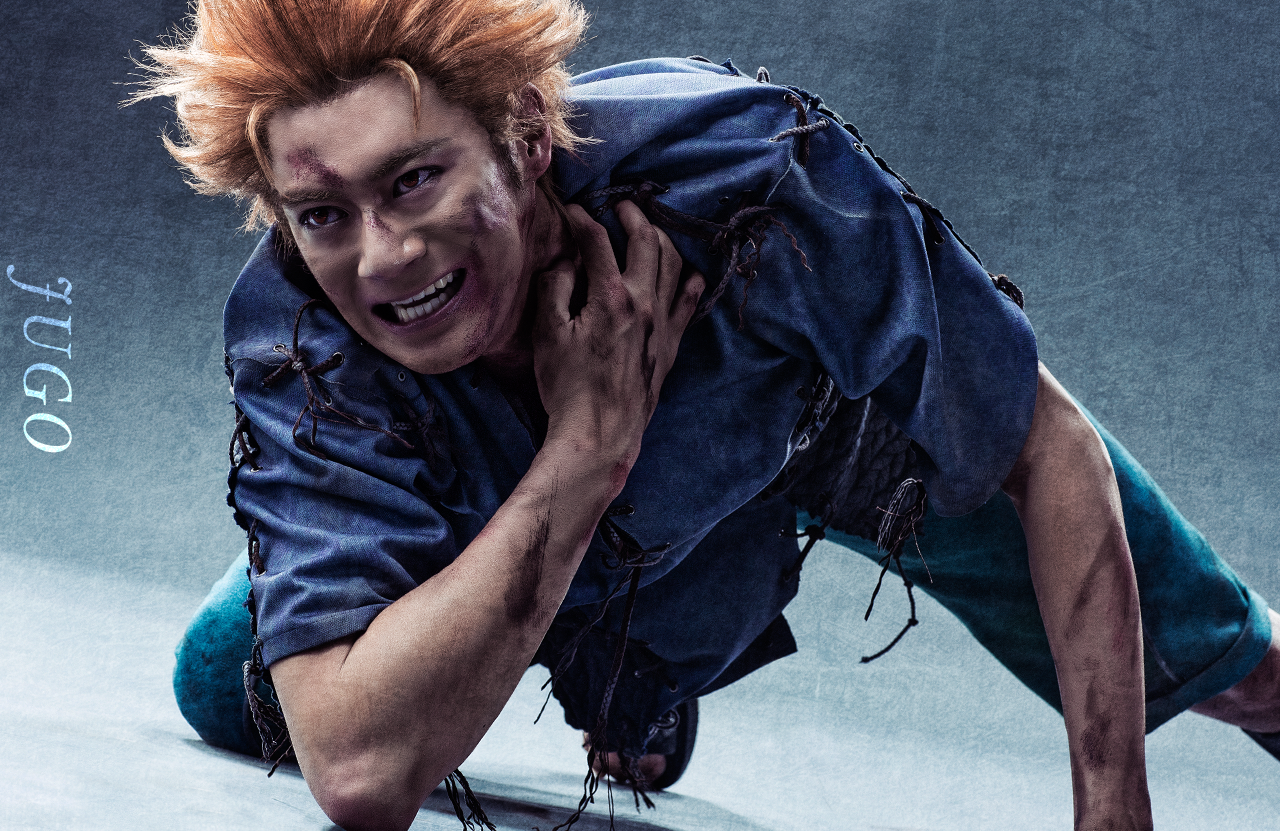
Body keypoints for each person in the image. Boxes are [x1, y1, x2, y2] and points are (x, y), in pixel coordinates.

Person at [134, 1, 1280, 830]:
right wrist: (588, 446)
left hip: (834, 429)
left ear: (526, 137)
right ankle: (634, 665)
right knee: (225, 683)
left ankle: (645, 649)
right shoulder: (300, 333)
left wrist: (1110, 809)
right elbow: (359, 775)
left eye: (413, 180)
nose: (383, 257)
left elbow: (1046, 444)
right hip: (510, 503)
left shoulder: (750, 172)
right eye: (323, 213)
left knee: (1243, 670)